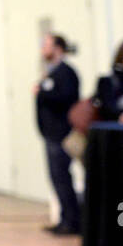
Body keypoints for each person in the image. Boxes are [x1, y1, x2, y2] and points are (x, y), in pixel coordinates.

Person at [35, 33, 81, 235]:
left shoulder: (66, 73)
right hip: (50, 133)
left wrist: (42, 93)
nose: (43, 49)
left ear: (58, 49)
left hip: (61, 133)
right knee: (56, 178)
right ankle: (65, 218)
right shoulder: (51, 73)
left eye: (47, 45)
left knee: (62, 177)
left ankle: (71, 221)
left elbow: (67, 99)